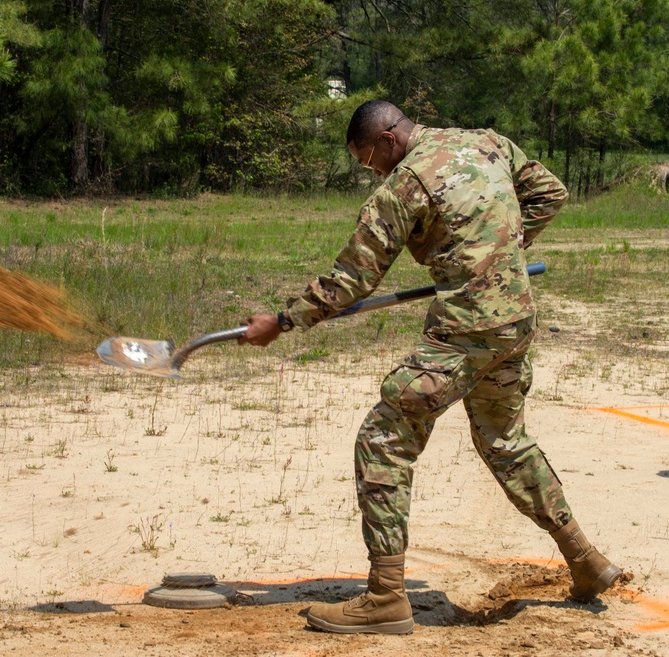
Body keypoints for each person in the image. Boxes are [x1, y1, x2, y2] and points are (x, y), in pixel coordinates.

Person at [239, 100, 622, 635]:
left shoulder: (403, 185)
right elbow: (549, 193)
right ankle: (586, 560)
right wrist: (498, 250)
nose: (371, 171)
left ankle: (386, 598)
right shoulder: (486, 140)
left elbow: (352, 277)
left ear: (387, 139)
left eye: (368, 159)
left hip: (466, 332)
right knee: (505, 442)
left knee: (384, 437)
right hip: (514, 322)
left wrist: (283, 320)